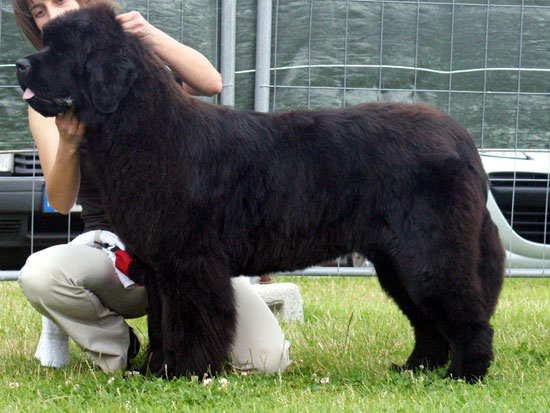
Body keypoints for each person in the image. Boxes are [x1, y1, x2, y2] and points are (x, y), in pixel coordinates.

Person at [13, 0, 290, 374]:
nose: (53, 12)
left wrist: (148, 34)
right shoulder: (47, 99)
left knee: (265, 360)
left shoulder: (141, 69)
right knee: (40, 275)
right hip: (113, 256)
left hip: (191, 254)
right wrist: (69, 142)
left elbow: (210, 82)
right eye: (40, 10)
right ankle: (118, 347)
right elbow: (60, 201)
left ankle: (185, 346)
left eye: (60, 0)